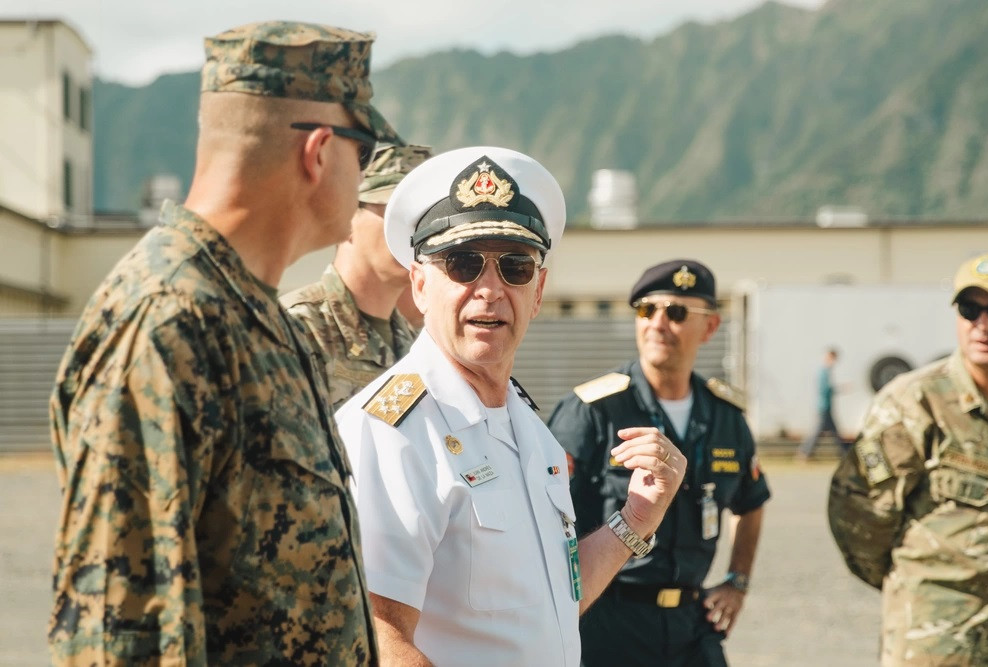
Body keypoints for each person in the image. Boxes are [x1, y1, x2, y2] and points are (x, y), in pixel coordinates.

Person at [47, 21, 402, 665]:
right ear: (318, 152)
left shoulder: (255, 316)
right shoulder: (167, 322)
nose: (366, 177)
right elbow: (121, 632)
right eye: (366, 149)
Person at [335, 146, 687, 666]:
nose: (491, 289)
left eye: (516, 266)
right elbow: (378, 639)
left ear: (539, 289)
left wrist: (636, 519)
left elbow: (551, 603)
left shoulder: (526, 424)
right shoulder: (395, 430)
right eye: (463, 263)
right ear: (420, 284)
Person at [547, 259, 771, 666]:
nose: (658, 323)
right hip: (607, 622)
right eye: (648, 310)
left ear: (710, 327)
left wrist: (737, 581)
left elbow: (751, 501)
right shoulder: (595, 410)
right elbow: (549, 514)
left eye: (678, 312)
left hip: (691, 622)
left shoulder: (725, 416)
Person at [828, 251, 988, 665]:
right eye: (969, 309)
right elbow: (859, 516)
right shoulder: (915, 402)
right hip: (939, 638)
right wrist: (917, 584)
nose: (983, 325)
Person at [283, 144, 431, 412]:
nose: (414, 234)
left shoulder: (416, 345)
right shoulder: (297, 329)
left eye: (424, 220)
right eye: (396, 215)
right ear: (348, 215)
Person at [797, 347, 849, 460]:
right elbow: (825, 389)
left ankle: (845, 452)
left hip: (827, 406)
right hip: (823, 406)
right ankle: (804, 452)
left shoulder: (826, 371)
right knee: (817, 431)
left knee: (834, 432)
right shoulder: (823, 372)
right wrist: (840, 389)